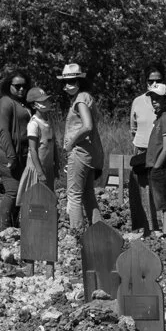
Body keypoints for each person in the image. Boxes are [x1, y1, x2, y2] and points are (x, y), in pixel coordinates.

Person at [58, 62, 101, 231]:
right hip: (90, 152)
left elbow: (87, 126)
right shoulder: (87, 97)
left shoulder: (80, 100)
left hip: (79, 151)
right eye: (66, 82)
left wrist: (70, 143)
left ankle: (78, 235)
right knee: (88, 194)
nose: (68, 85)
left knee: (74, 195)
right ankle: (99, 232)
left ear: (80, 82)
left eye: (73, 81)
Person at [134, 81, 166, 239]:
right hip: (155, 166)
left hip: (161, 167)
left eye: (158, 99)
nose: (154, 102)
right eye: (152, 98)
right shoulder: (159, 118)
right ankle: (165, 232)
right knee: (161, 200)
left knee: (165, 201)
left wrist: (157, 166)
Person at [126, 67, 162, 235]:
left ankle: (161, 228)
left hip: (161, 150)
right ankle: (145, 228)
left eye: (158, 80)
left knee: (160, 190)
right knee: (141, 191)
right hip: (141, 150)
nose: (154, 83)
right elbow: (133, 127)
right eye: (150, 81)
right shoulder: (138, 101)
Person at [0, 71, 32, 190]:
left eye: (24, 86)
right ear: (9, 86)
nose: (21, 89)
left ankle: (11, 210)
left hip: (22, 153)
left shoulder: (22, 103)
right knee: (13, 192)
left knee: (22, 193)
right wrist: (11, 156)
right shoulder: (5, 102)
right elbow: (3, 130)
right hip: (6, 153)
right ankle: (4, 210)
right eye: (17, 86)